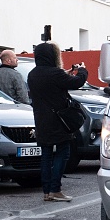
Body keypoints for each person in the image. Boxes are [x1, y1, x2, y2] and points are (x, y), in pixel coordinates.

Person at [28, 42, 88, 201]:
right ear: (52, 55)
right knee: (63, 152)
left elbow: (52, 85)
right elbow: (77, 82)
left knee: (46, 155)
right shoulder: (55, 73)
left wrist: (64, 73)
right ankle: (56, 189)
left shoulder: (32, 74)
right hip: (59, 121)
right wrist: (82, 70)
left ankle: (47, 191)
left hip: (41, 121)